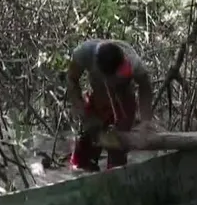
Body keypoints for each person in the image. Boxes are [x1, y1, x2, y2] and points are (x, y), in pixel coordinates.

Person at [66, 39, 155, 171]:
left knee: (118, 149)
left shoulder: (133, 63)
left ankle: (115, 176)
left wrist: (145, 122)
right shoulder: (84, 53)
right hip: (99, 98)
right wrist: (78, 105)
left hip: (124, 99)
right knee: (85, 151)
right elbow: (71, 78)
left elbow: (145, 87)